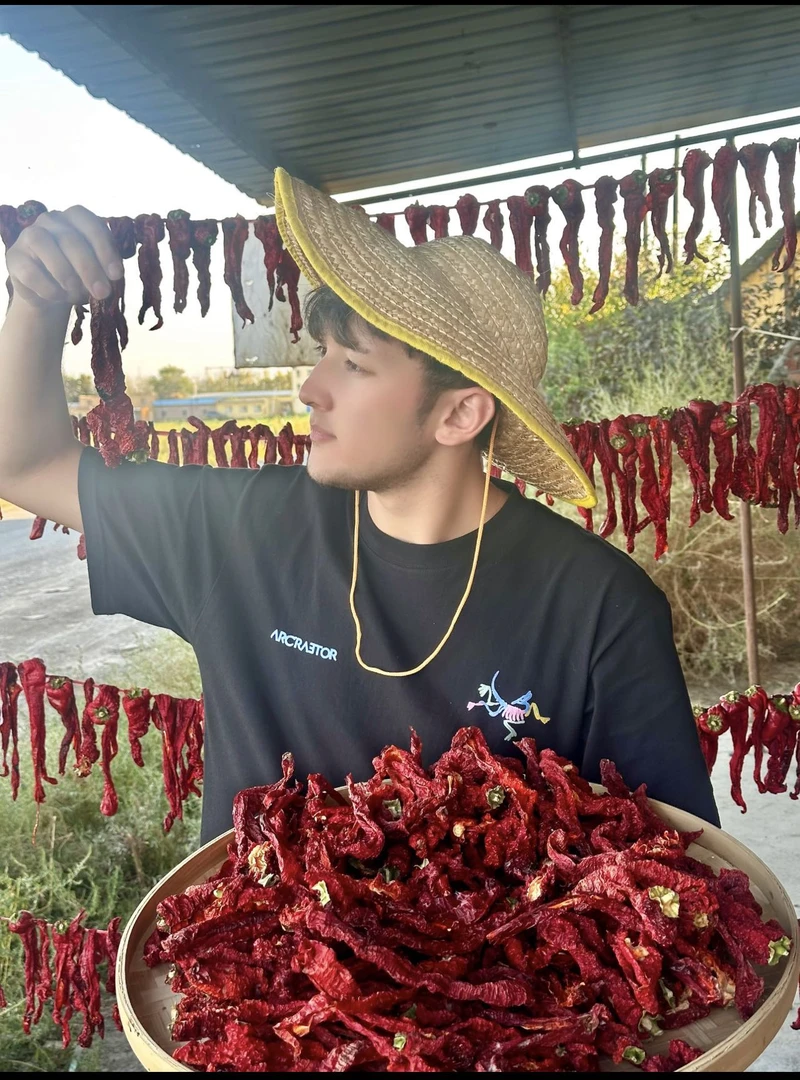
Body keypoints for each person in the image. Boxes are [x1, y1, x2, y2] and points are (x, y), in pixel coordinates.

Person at [0, 172, 719, 845]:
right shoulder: (237, 532)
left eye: (353, 364)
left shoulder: (601, 608)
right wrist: (35, 299)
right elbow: (23, 463)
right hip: (250, 969)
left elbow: (673, 867)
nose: (311, 388)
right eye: (322, 354)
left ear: (459, 413)